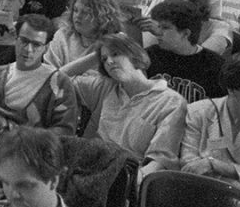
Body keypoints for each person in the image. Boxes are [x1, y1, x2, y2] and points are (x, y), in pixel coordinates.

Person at [60, 34, 186, 175]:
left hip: (127, 176)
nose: (109, 62)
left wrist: (132, 185)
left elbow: (161, 160)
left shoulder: (171, 101)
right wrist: (96, 55)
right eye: (104, 59)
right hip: (88, 166)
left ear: (134, 55)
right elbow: (59, 78)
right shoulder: (105, 86)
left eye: (115, 54)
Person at [181, 54, 240, 202]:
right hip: (198, 196)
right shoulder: (199, 112)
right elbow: (189, 165)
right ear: (232, 90)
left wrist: (214, 165)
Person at [146, 0, 226, 97]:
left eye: (165, 28)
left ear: (185, 33)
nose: (158, 33)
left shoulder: (216, 67)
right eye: (158, 27)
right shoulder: (148, 56)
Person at [44, 0, 123, 68]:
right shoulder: (63, 34)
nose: (78, 16)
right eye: (75, 10)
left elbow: (104, 79)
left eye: (85, 12)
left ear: (102, 17)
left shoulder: (112, 43)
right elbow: (48, 73)